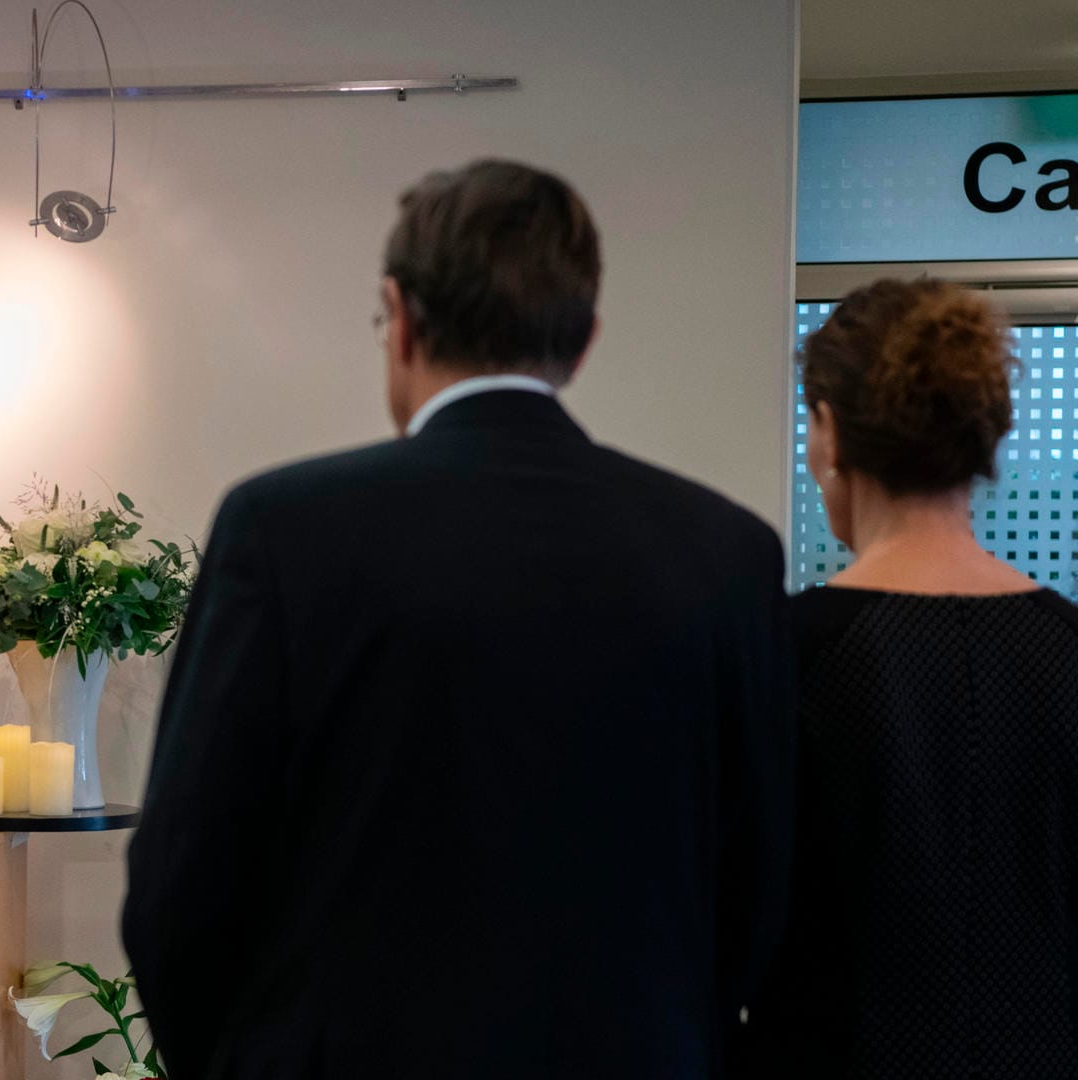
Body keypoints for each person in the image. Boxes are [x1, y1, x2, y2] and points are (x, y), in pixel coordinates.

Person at [121, 160, 795, 1079]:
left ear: (399, 319)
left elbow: (182, 881)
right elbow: (758, 887)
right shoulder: (728, 551)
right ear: (584, 339)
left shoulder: (281, 528)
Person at [731, 281, 1078, 1077]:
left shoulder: (778, 657)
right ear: (987, 436)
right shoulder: (1068, 649)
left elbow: (720, 923)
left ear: (826, 433)